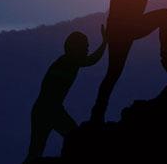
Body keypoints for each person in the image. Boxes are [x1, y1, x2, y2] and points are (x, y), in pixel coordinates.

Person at [25, 27, 107, 162]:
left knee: (36, 152)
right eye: (85, 46)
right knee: (73, 139)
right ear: (75, 47)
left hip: (46, 110)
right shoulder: (69, 61)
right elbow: (92, 60)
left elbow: (90, 60)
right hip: (49, 111)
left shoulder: (66, 61)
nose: (87, 49)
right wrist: (105, 43)